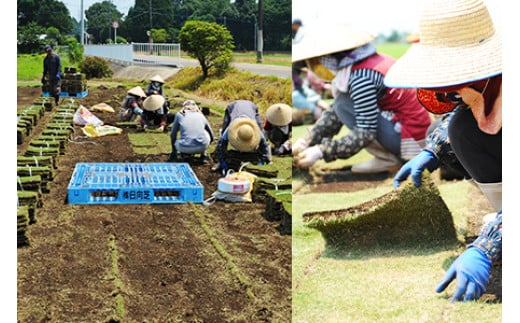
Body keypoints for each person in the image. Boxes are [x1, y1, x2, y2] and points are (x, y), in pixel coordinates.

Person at [384, 0, 502, 302]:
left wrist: (487, 246)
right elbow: (456, 116)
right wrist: (432, 152)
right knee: (459, 126)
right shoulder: (490, 87)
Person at [292, 24, 432, 174]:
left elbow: (366, 131)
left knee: (342, 105)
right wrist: (308, 140)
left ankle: (386, 158)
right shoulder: (367, 63)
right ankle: (387, 156)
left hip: (409, 136)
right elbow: (334, 114)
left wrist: (322, 150)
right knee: (341, 104)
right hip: (408, 128)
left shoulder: (361, 78)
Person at [212, 99, 272, 173]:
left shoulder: (256, 130)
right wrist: (221, 161)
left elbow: (265, 144)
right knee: (224, 129)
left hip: (251, 107)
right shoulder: (230, 129)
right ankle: (218, 161)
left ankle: (258, 154)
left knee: (261, 128)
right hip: (233, 106)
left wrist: (267, 160)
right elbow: (221, 142)